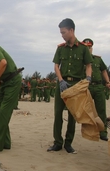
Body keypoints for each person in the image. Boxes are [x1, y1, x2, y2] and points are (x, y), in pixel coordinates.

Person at [47, 18, 93, 153]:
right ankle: (57, 142)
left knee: (73, 115)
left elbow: (88, 65)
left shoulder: (83, 48)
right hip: (62, 84)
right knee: (58, 114)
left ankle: (68, 143)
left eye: (64, 32)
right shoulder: (61, 48)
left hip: (76, 85)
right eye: (61, 33)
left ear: (71, 30)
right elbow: (56, 66)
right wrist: (60, 80)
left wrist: (88, 79)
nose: (62, 35)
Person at [83, 38, 110, 141]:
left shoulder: (97, 59)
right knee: (87, 111)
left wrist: (107, 82)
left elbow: (103, 71)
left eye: (89, 47)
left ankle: (103, 132)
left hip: (98, 87)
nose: (88, 49)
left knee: (101, 110)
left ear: (92, 48)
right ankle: (90, 131)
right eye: (86, 47)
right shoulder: (81, 60)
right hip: (87, 87)